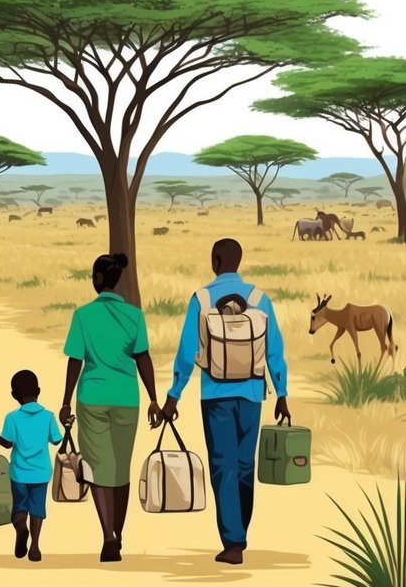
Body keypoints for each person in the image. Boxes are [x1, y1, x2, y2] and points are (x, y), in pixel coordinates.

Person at [161, 238, 290, 566]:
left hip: (215, 395)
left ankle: (233, 540)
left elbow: (187, 351)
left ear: (215, 260)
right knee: (245, 466)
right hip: (251, 394)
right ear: (240, 260)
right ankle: (239, 533)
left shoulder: (201, 299)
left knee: (223, 466)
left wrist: (173, 395)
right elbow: (274, 349)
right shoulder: (261, 299)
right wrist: (282, 393)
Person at [60, 252, 161, 563]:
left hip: (92, 398)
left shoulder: (82, 316)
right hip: (127, 399)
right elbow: (143, 358)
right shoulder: (134, 316)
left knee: (98, 467)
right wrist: (154, 399)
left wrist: (65, 401)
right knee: (120, 468)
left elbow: (75, 360)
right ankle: (119, 531)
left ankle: (108, 535)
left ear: (98, 279)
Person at [0, 370, 63, 563]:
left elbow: (7, 444)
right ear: (39, 391)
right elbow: (57, 441)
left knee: (19, 507)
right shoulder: (48, 416)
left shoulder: (12, 418)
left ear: (14, 395)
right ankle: (35, 547)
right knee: (37, 510)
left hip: (19, 473)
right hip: (41, 472)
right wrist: (67, 426)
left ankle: (20, 528)